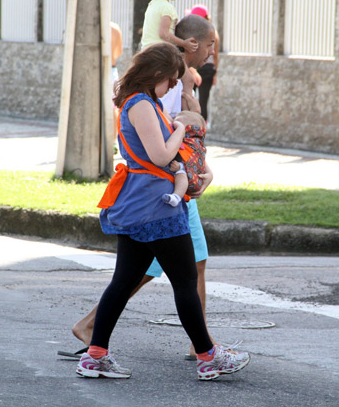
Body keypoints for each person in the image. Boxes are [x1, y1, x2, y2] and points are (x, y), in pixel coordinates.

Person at [76, 43, 250, 381]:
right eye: (170, 80)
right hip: (156, 206)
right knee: (185, 281)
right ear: (155, 74)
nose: (173, 86)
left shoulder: (144, 102)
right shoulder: (141, 104)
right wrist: (182, 130)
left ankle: (95, 356)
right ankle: (208, 356)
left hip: (140, 204)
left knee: (123, 282)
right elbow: (159, 156)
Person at [163, 111, 206, 207]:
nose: (173, 122)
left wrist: (180, 167)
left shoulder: (192, 143)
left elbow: (191, 162)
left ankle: (176, 196)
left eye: (177, 121)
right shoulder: (194, 142)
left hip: (187, 174)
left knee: (181, 174)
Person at [188, 4, 219, 124]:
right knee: (204, 100)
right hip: (209, 69)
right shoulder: (213, 33)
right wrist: (215, 73)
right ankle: (202, 129)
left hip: (195, 67)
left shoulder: (193, 34)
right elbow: (215, 55)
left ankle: (192, 126)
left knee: (190, 97)